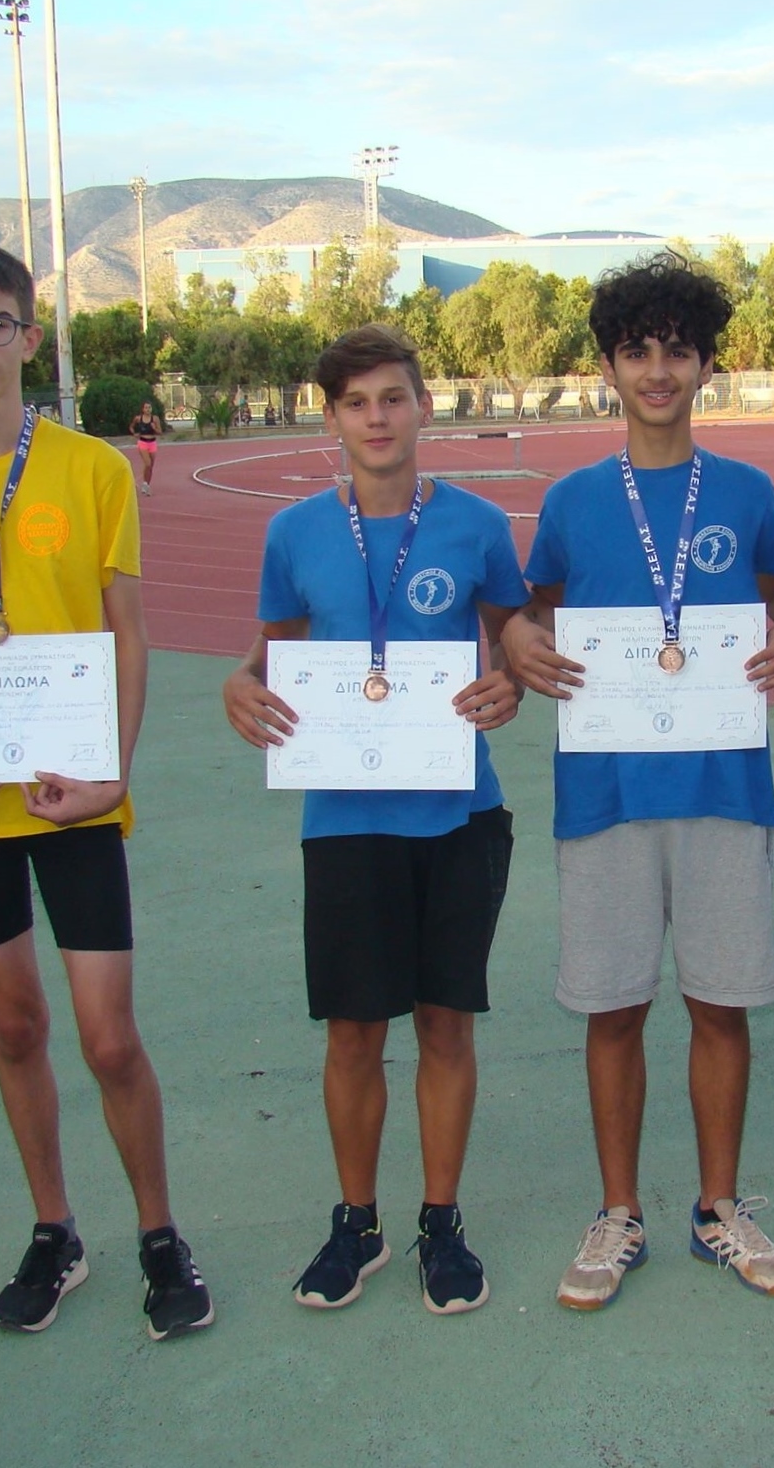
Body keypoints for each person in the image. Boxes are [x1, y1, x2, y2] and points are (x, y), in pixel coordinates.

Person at [0, 243, 213, 1340]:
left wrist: (114, 771)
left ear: (29, 336)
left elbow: (128, 632)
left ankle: (160, 1234)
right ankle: (55, 1231)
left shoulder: (92, 470)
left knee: (108, 1037)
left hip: (75, 794)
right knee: (16, 1023)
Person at [501, 252, 774, 1309]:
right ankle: (618, 1211)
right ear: (607, 366)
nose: (656, 370)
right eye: (635, 350)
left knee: (721, 1005)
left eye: (677, 350)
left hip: (723, 786)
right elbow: (532, 613)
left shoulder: (744, 491)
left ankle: (718, 1207)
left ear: (706, 366)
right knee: (614, 1011)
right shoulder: (571, 501)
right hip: (605, 794)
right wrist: (517, 638)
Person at [222, 324, 525, 1316]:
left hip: (458, 811)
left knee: (444, 1024)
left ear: (424, 406)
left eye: (393, 397)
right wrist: (239, 683)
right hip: (344, 818)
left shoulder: (478, 525)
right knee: (353, 1033)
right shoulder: (295, 533)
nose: (377, 418)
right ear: (331, 419)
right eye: (356, 403)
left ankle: (442, 1221)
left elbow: (513, 642)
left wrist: (511, 683)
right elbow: (271, 653)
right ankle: (358, 1223)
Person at [129, 401, 162, 495]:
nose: (148, 409)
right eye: (146, 408)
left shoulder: (155, 419)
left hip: (152, 443)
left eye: (149, 407)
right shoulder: (138, 418)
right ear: (143, 409)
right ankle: (145, 484)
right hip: (143, 442)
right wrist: (134, 433)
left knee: (150, 466)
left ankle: (146, 484)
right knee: (147, 463)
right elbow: (131, 427)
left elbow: (160, 432)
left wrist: (154, 428)